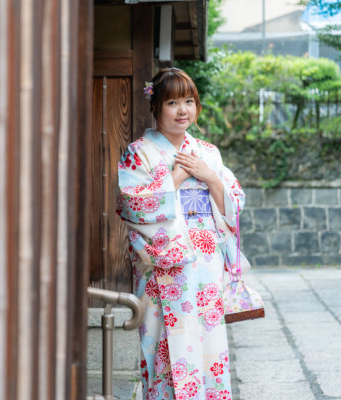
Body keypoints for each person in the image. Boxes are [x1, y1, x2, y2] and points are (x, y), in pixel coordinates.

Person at [116, 68, 250, 400]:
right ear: (156, 106)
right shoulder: (139, 152)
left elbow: (234, 206)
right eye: (172, 102)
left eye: (189, 101)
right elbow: (131, 205)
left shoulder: (208, 153)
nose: (182, 111)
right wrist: (175, 178)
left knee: (208, 346)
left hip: (205, 266)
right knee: (162, 347)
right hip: (162, 268)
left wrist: (211, 178)